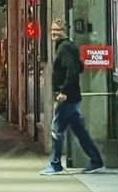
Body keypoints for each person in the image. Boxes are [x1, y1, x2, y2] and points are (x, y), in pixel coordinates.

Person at [42, 18, 105, 175]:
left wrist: (63, 91)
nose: (54, 33)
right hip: (71, 96)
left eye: (57, 30)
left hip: (66, 98)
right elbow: (79, 66)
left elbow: (73, 70)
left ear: (64, 31)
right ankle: (96, 160)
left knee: (57, 131)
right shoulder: (66, 47)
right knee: (79, 131)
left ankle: (55, 164)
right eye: (52, 30)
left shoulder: (65, 48)